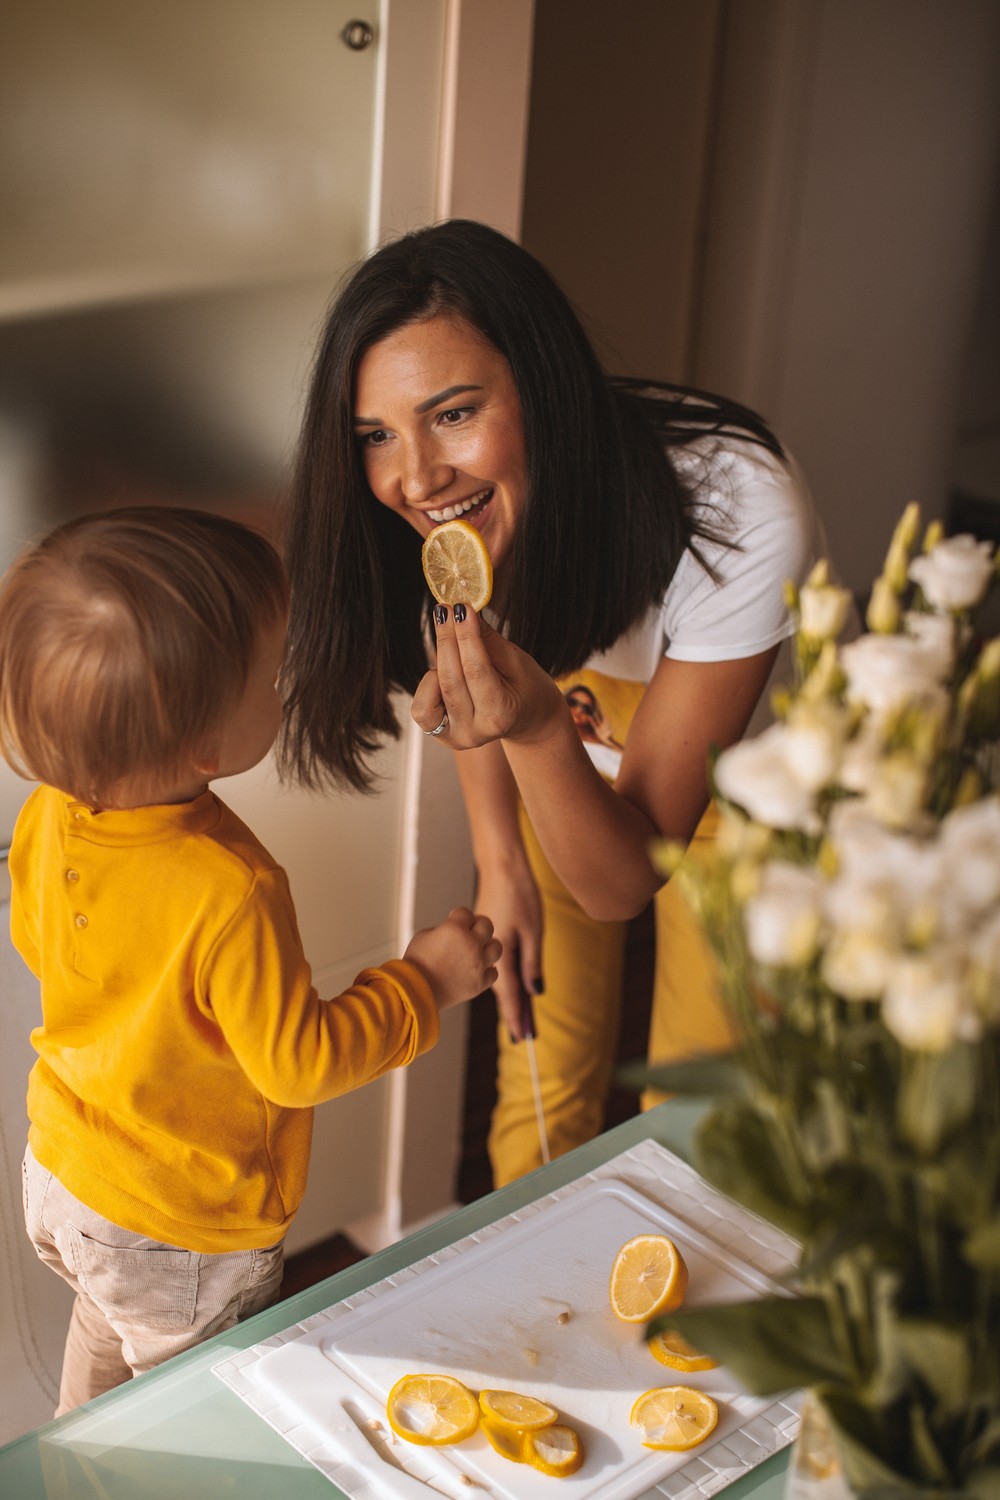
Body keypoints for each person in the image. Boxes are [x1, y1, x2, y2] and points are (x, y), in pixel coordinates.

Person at [279, 219, 827, 1188]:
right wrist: (499, 862)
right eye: (375, 435)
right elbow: (478, 688)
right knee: (537, 1076)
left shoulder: (737, 509)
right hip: (555, 746)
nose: (415, 477)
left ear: (542, 388)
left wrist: (538, 724)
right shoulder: (420, 515)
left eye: (452, 413)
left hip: (740, 786)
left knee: (706, 1108)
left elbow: (622, 876)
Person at [0, 505, 500, 1414]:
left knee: (106, 1332)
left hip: (66, 1178)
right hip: (180, 1226)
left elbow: (41, 943)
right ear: (206, 747)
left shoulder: (48, 812)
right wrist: (425, 980)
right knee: (197, 1408)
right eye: (269, 677)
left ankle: (72, 1474)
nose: (283, 687)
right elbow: (296, 1062)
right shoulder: (230, 890)